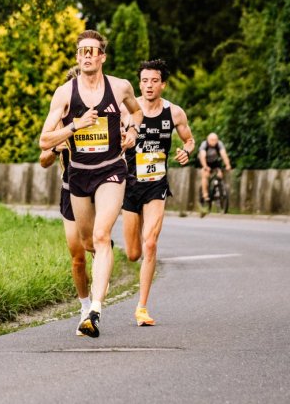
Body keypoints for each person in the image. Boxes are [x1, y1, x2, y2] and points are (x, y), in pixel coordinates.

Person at [40, 30, 143, 338]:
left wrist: (134, 131)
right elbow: (43, 141)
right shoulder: (64, 93)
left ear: (102, 57)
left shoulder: (120, 86)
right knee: (84, 246)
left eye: (92, 50)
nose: (87, 55)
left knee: (101, 235)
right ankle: (88, 299)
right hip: (77, 175)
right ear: (77, 57)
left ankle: (94, 311)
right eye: (82, 51)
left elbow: (136, 111)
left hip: (111, 169)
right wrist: (74, 127)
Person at [121, 59, 195, 327]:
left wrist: (186, 151)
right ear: (139, 84)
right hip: (130, 185)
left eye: (154, 81)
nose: (149, 85)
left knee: (150, 243)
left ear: (163, 84)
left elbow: (189, 138)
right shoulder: (127, 110)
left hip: (156, 184)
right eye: (144, 81)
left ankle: (142, 307)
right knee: (132, 253)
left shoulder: (174, 113)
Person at [39, 66, 94, 336]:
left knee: (95, 245)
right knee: (77, 255)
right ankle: (85, 307)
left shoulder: (97, 116)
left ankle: (96, 305)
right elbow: (43, 160)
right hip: (69, 188)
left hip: (96, 189)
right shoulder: (60, 122)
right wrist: (57, 147)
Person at [198, 133, 232, 202]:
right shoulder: (204, 144)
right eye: (212, 140)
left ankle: (219, 189)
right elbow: (202, 156)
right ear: (208, 139)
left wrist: (228, 165)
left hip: (215, 161)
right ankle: (205, 194)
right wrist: (205, 166)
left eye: (216, 140)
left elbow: (224, 155)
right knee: (205, 174)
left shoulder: (219, 144)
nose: (214, 141)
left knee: (220, 175)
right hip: (205, 161)